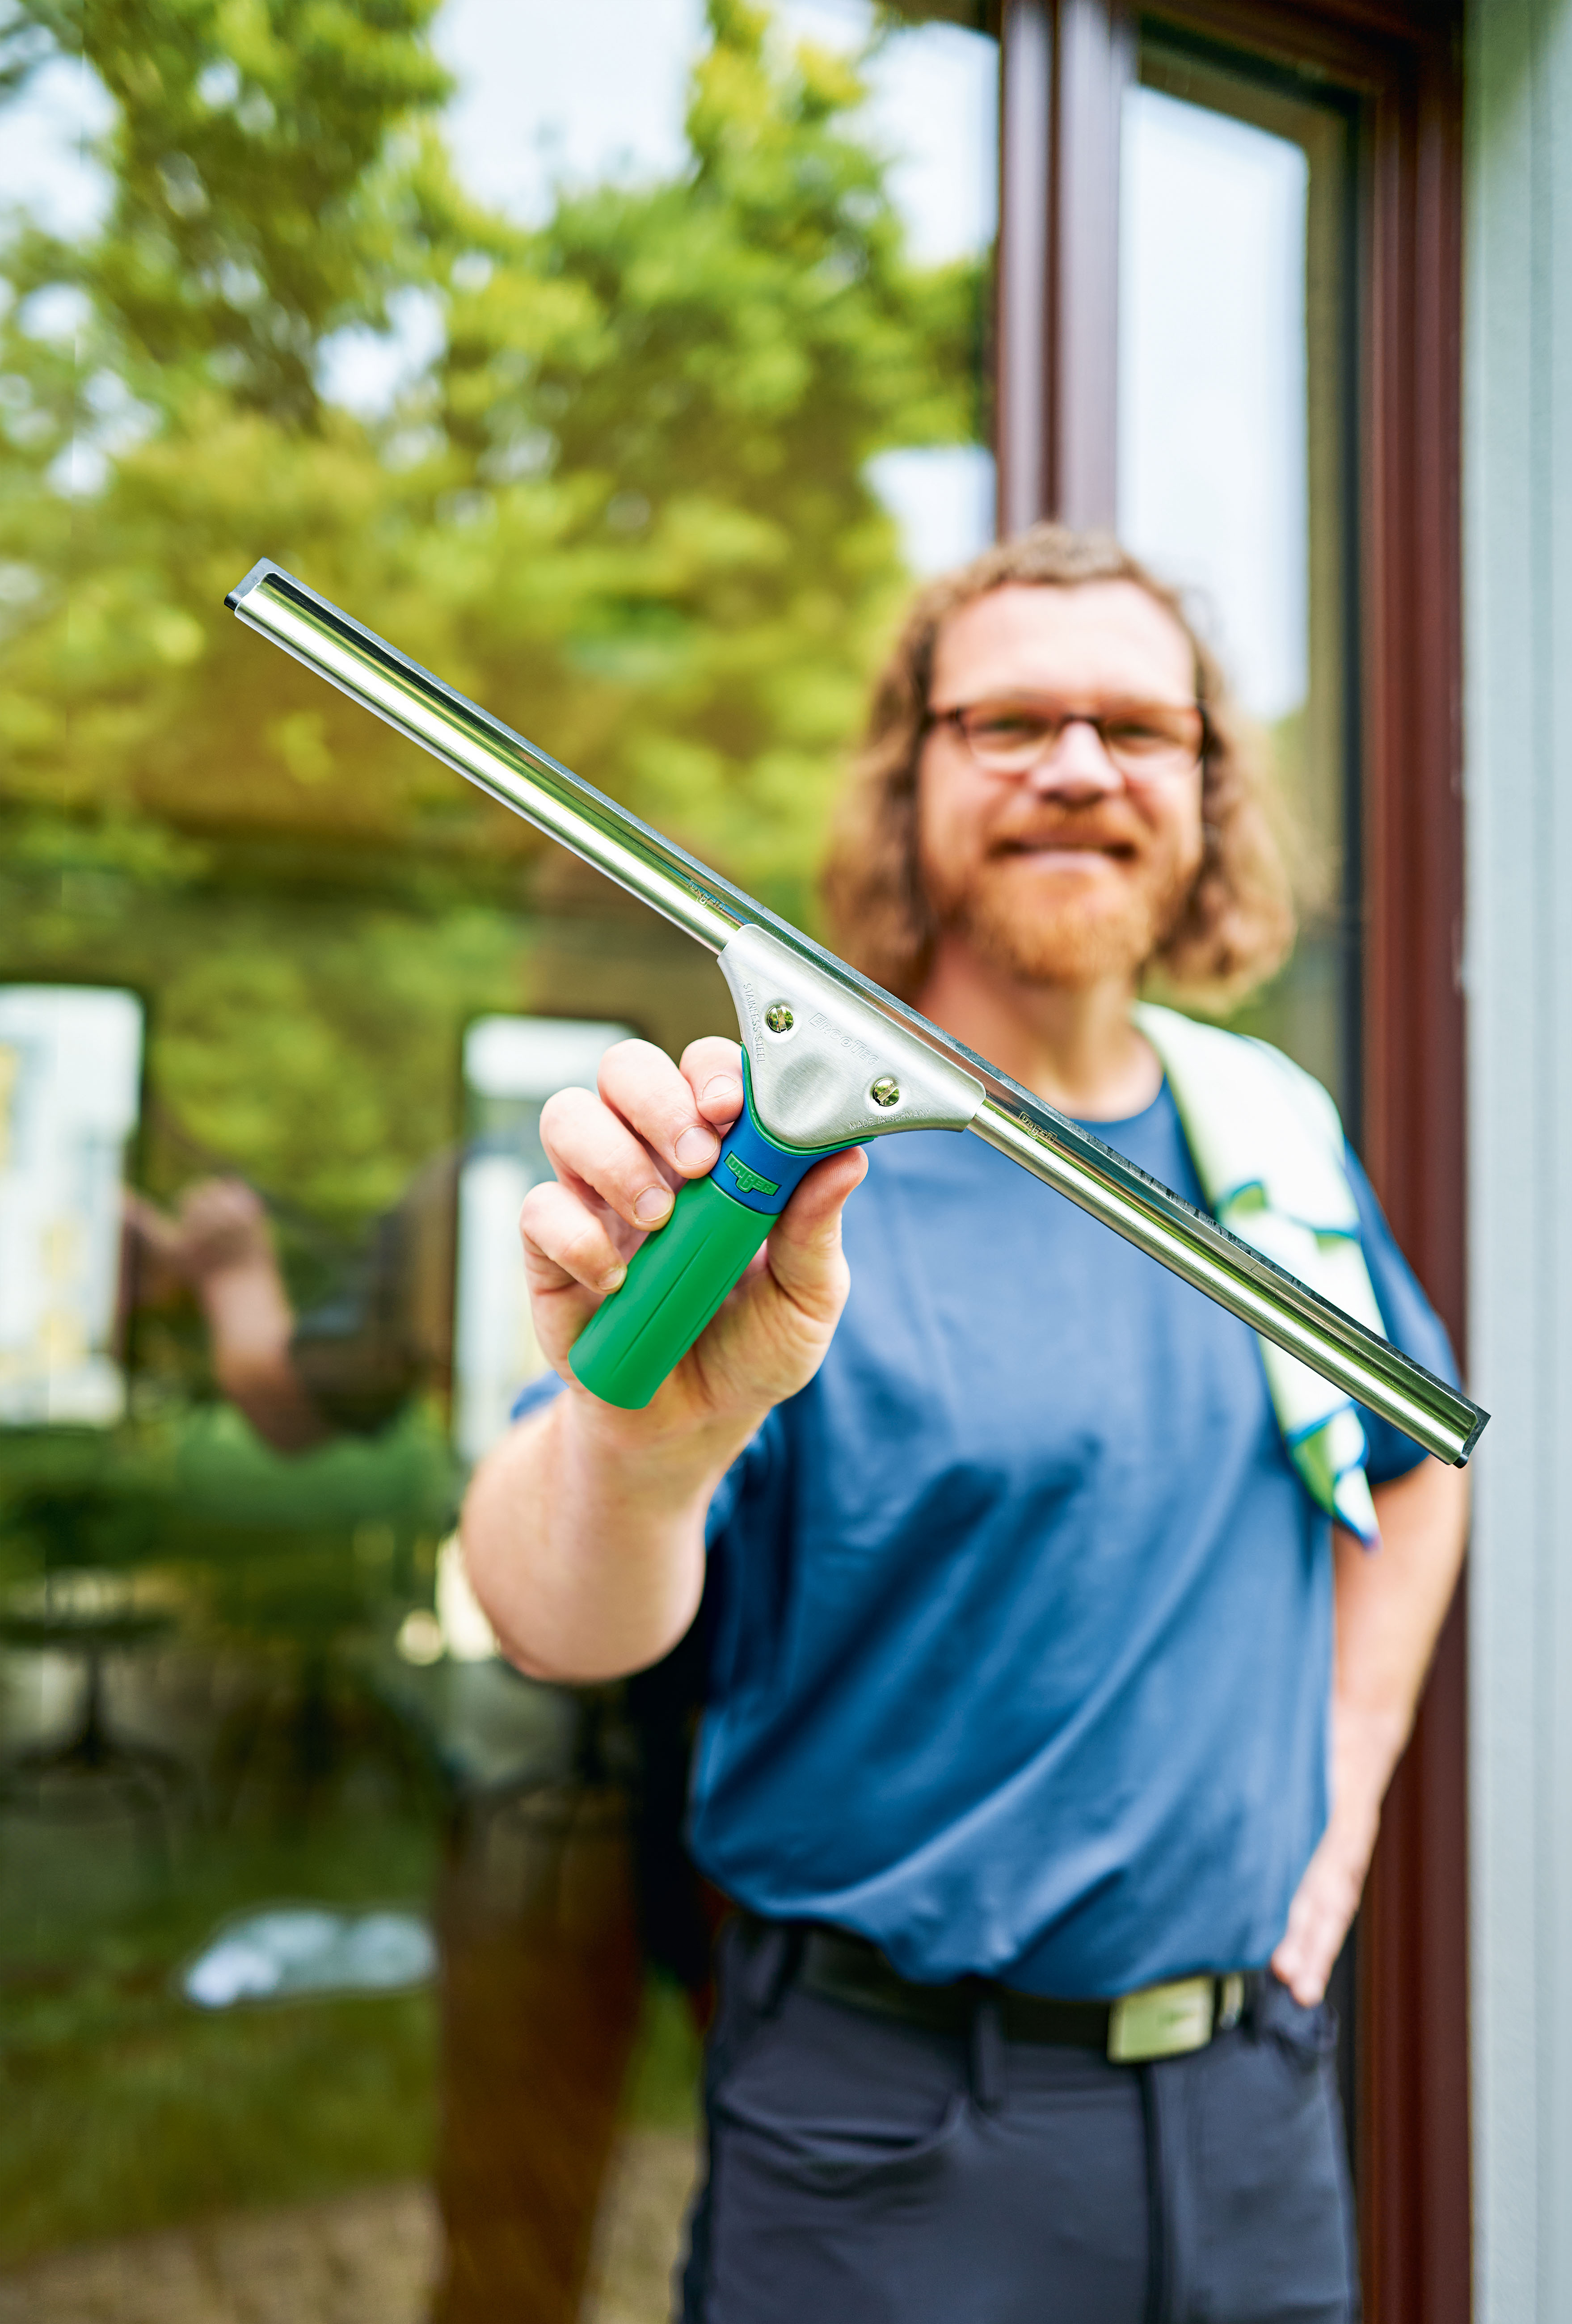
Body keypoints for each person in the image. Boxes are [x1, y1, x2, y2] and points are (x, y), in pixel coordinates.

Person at [460, 526, 1471, 2324]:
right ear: (907, 779)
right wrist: (639, 1446)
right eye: (1008, 723)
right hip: (889, 2143)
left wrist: (1346, 1779)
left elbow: (1414, 1466)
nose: (1077, 767)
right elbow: (553, 1611)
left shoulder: (1263, 1129)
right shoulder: (793, 1163)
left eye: (1136, 729)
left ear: (1205, 792)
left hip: (1251, 2121)